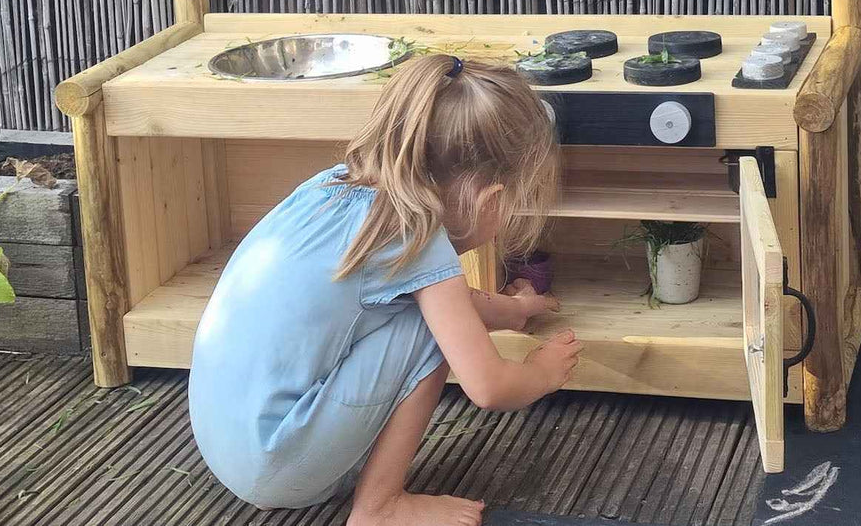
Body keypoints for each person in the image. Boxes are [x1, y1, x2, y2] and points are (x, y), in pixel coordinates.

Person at [189, 53, 582, 525]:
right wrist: (542, 372)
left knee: (422, 314)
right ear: (490, 199)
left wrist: (515, 311)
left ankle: (320, 478)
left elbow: (450, 302)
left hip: (225, 442)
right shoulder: (416, 236)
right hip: (277, 465)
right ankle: (380, 507)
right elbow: (490, 387)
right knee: (426, 327)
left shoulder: (330, 186)